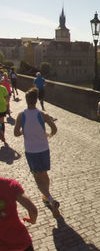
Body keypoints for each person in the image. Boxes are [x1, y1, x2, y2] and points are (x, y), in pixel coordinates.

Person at [14, 87, 60, 218]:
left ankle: (50, 199)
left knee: (37, 178)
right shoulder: (42, 114)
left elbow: (16, 133)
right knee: (44, 173)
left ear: (26, 100)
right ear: (36, 100)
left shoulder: (21, 115)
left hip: (31, 151)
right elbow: (54, 129)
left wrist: (25, 131)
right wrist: (49, 135)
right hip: (44, 149)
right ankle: (46, 196)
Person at [0, 177, 38, 251]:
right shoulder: (9, 185)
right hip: (20, 241)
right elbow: (33, 210)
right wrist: (32, 220)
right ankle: (50, 199)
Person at [0, 82, 8, 146]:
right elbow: (7, 98)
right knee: (2, 122)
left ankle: (1, 133)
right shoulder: (3, 88)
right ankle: (3, 134)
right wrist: (6, 104)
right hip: (2, 108)